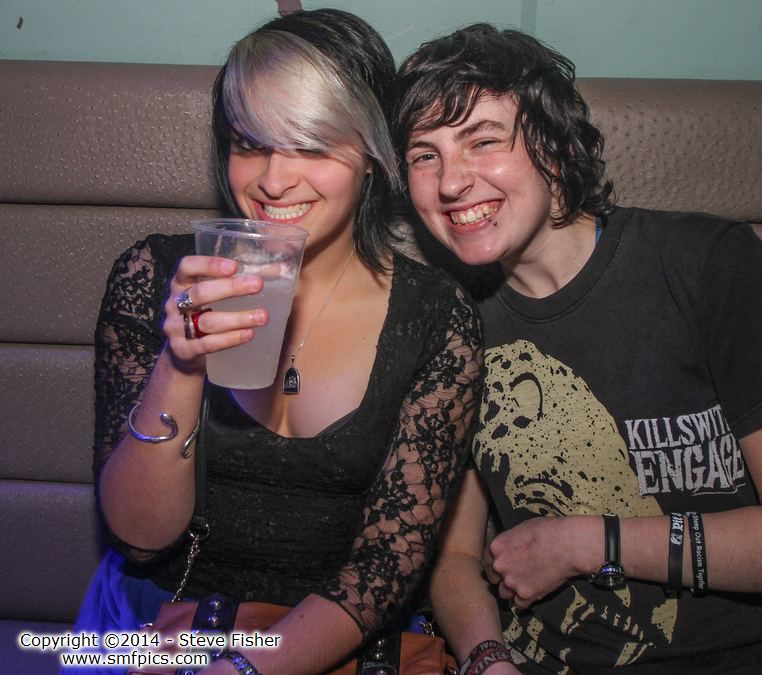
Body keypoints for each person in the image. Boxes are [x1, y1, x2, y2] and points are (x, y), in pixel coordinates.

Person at [72, 9, 482, 675]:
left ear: (371, 155)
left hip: (334, 642)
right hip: (163, 628)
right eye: (249, 144)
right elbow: (139, 540)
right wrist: (183, 363)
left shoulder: (435, 317)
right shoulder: (154, 276)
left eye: (311, 147)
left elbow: (385, 568)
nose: (271, 180)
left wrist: (245, 668)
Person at [393, 23, 762, 675]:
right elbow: (454, 560)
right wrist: (487, 658)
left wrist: (592, 542)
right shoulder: (451, 323)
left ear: (556, 146)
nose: (450, 182)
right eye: (425, 155)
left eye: (483, 140)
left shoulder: (708, 265)